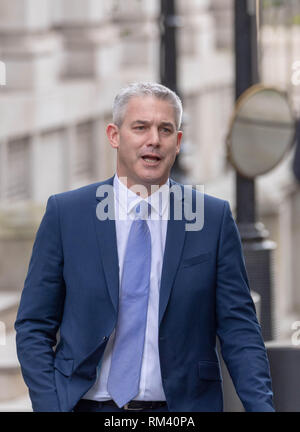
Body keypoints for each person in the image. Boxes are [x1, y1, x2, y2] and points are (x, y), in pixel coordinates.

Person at [15, 82, 274, 412]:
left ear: (177, 142)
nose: (154, 139)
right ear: (114, 135)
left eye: (165, 129)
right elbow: (34, 325)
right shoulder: (67, 215)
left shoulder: (212, 218)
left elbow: (240, 330)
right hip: (88, 405)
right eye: (140, 127)